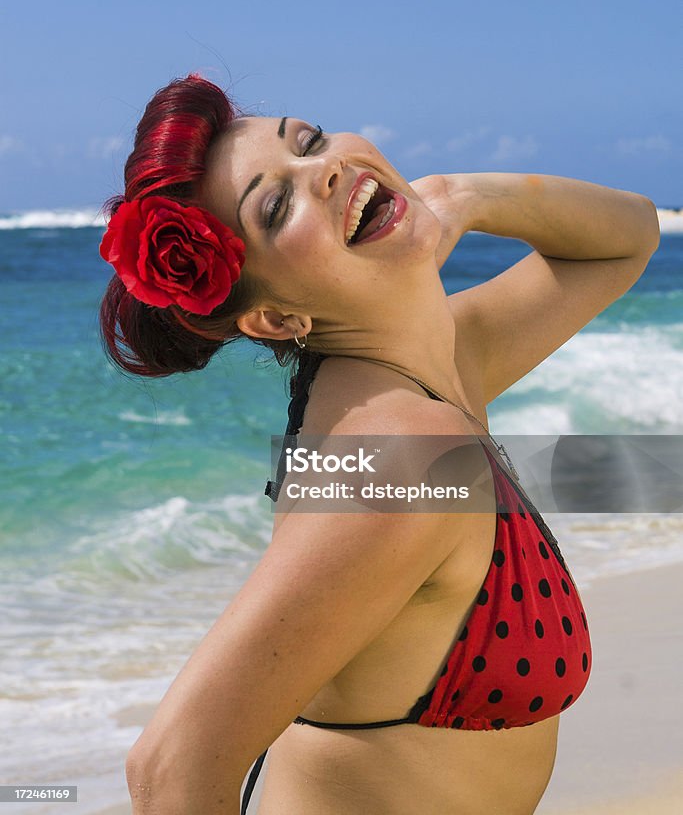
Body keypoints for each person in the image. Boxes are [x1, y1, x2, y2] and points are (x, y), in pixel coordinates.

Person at [99, 73, 659, 815]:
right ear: (270, 318)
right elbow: (168, 770)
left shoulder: (438, 364)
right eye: (275, 205)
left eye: (310, 141)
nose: (322, 168)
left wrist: (466, 195)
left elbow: (624, 240)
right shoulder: (399, 453)